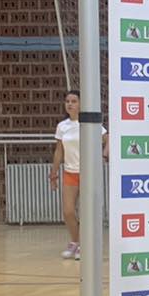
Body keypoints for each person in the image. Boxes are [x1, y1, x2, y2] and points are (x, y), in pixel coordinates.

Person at [50, 89, 106, 260]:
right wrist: (53, 173)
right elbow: (59, 151)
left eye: (74, 101)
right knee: (68, 211)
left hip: (88, 173)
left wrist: (104, 155)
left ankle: (85, 246)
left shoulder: (89, 124)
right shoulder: (62, 126)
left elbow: (108, 138)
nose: (70, 104)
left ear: (81, 104)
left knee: (86, 211)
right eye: (67, 101)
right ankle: (75, 242)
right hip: (70, 172)